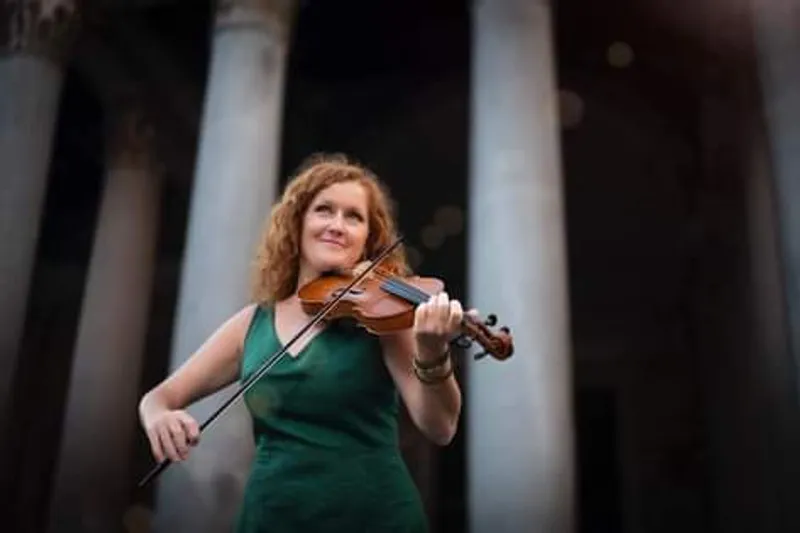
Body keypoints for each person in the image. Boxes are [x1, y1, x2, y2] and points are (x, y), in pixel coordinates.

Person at [138, 153, 466, 532]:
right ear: (297, 223)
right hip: (273, 517)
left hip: (375, 516)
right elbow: (158, 398)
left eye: (354, 217)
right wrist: (158, 416)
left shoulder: (384, 319)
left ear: (367, 240)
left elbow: (440, 426)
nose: (338, 226)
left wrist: (432, 352)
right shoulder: (251, 324)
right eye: (324, 210)